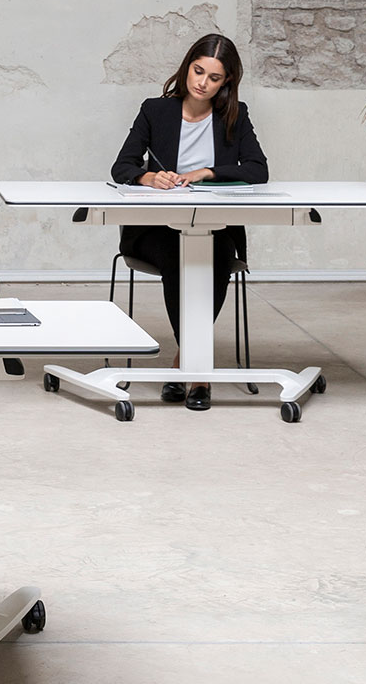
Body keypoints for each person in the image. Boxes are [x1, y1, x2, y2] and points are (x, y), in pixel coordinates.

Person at [111, 32, 268, 409]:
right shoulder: (155, 110)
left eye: (214, 78)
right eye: (198, 72)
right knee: (178, 255)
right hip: (153, 230)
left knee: (211, 256)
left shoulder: (234, 115)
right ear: (187, 68)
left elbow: (258, 170)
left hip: (215, 228)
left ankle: (185, 362)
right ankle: (198, 371)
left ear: (226, 81)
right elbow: (122, 167)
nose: (202, 83)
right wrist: (150, 177)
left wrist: (207, 172)